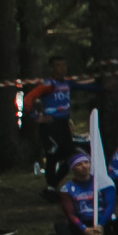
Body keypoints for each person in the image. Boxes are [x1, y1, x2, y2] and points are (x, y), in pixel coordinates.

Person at [50, 148, 118, 235]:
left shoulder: (103, 182)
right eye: (79, 164)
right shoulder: (66, 189)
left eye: (86, 163)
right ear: (73, 169)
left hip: (103, 223)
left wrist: (100, 225)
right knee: (60, 225)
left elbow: (110, 206)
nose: (84, 166)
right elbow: (69, 213)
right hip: (82, 225)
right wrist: (84, 229)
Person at [29, 57, 75, 194]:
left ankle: (52, 186)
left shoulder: (67, 83)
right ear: (51, 68)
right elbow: (28, 99)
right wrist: (37, 118)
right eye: (58, 66)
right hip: (50, 126)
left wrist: (103, 88)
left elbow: (84, 86)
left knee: (71, 155)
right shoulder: (48, 84)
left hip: (63, 125)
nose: (62, 69)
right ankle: (51, 188)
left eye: (64, 65)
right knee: (52, 157)